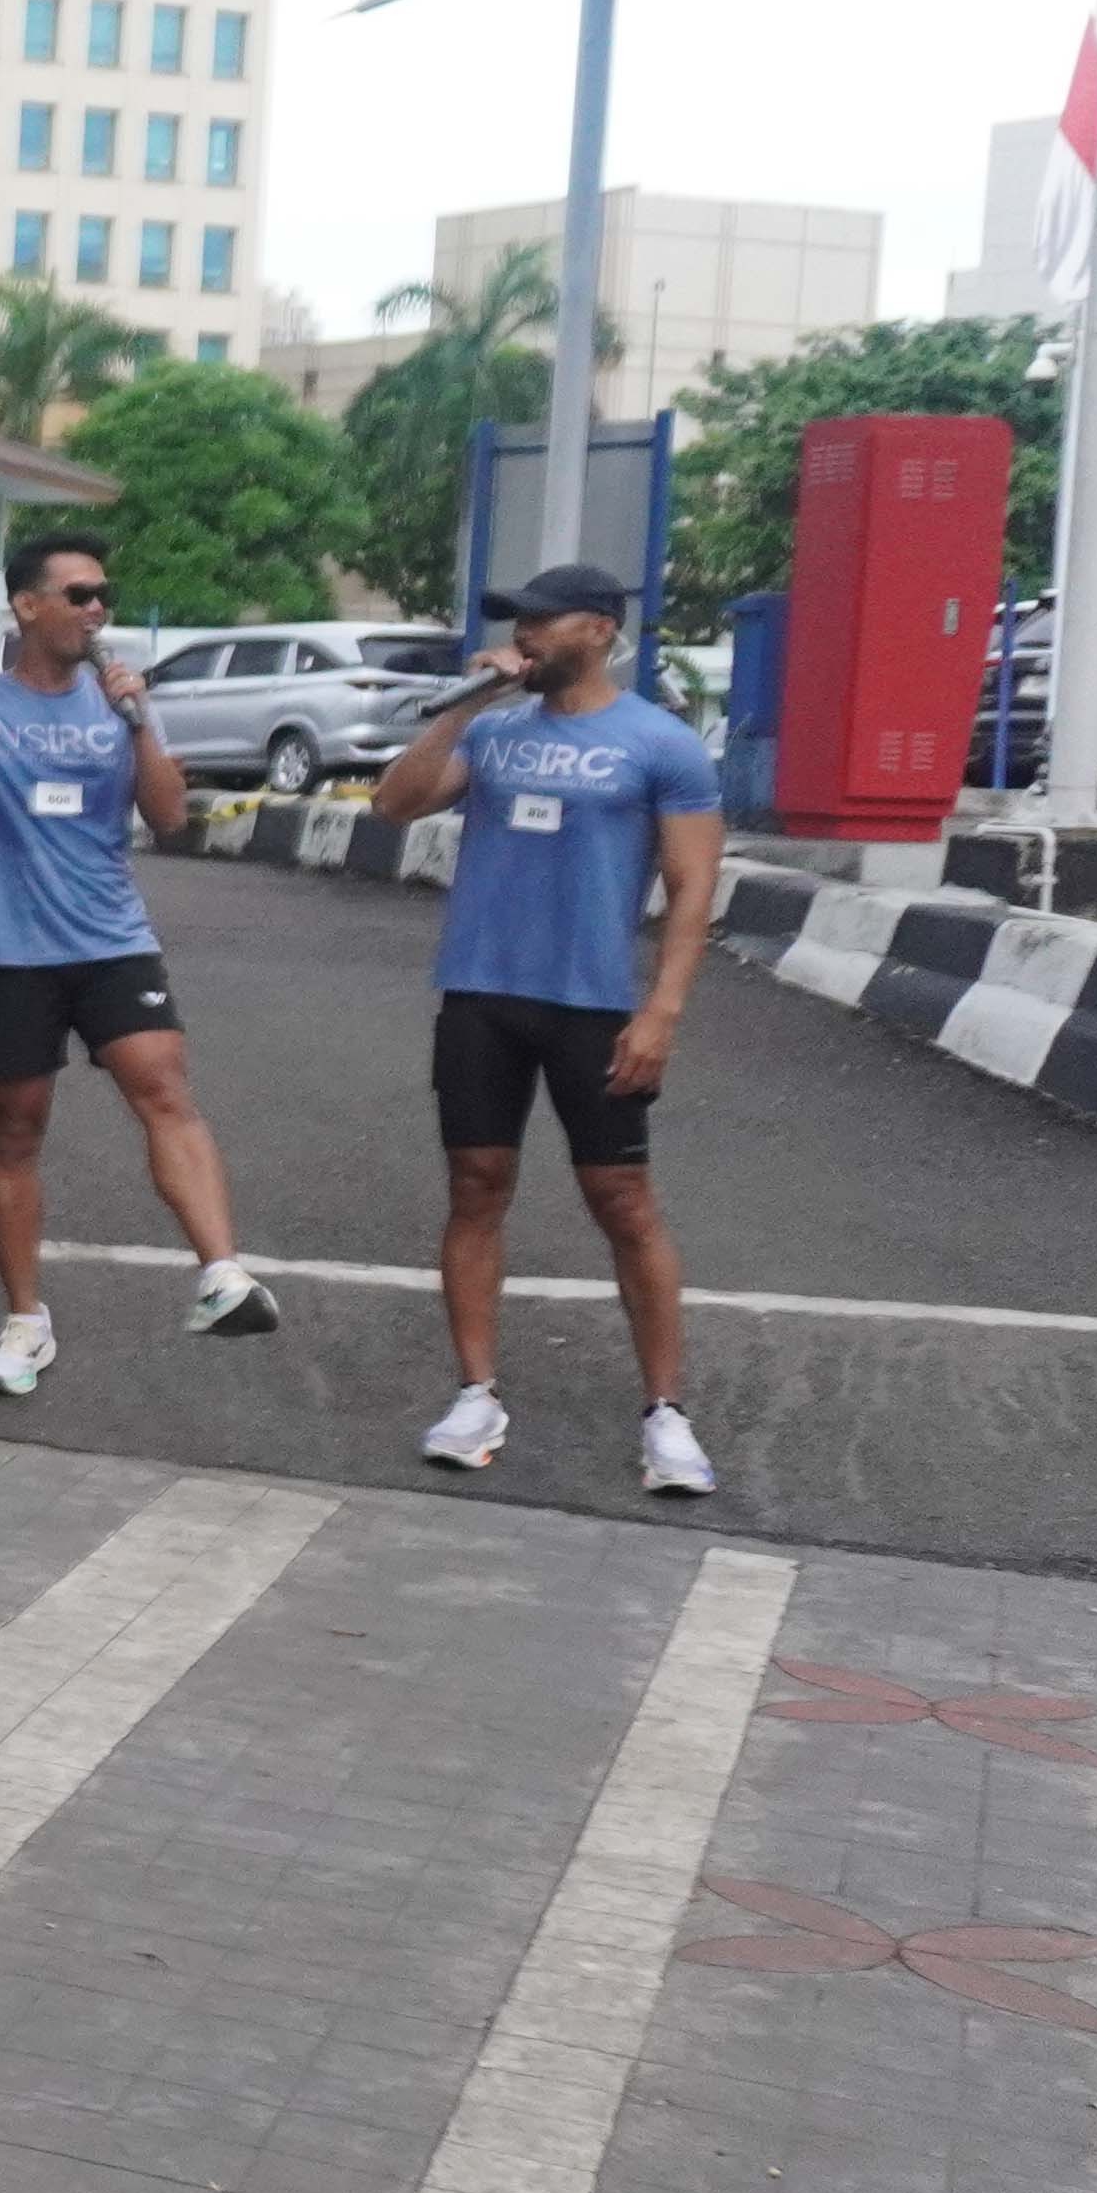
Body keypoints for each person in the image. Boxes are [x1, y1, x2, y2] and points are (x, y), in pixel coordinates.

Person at [0, 533, 278, 1397]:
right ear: (28, 606)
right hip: (11, 954)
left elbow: (169, 817)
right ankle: (25, 1322)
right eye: (78, 594)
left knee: (164, 1088)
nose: (96, 608)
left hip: (113, 942)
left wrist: (139, 720)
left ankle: (222, 1274)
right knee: (16, 1130)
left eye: (103, 594)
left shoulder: (121, 704)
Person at [370, 562, 729, 1495]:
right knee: (476, 1188)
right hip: (482, 993)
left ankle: (666, 1414)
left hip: (594, 1004)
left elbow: (693, 886)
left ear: (600, 630)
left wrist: (662, 1011)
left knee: (623, 1200)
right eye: (516, 623)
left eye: (543, 621)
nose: (524, 636)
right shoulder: (492, 732)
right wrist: (466, 704)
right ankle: (476, 1395)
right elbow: (394, 804)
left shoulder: (661, 744)